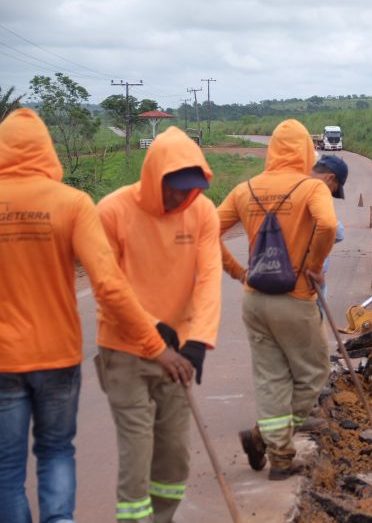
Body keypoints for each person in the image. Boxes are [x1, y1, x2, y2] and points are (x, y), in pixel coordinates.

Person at [0, 109, 189, 523]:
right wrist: (157, 347)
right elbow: (109, 284)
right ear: (46, 150)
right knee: (55, 452)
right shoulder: (71, 203)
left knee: (7, 471)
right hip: (57, 356)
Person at [94, 126, 221, 522]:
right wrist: (153, 335)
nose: (182, 197)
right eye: (175, 188)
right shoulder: (112, 211)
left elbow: (209, 279)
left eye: (190, 189)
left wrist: (198, 340)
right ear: (155, 178)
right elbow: (108, 288)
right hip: (125, 351)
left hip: (178, 352)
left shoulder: (201, 212)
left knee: (174, 458)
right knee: (138, 453)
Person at [218, 119, 337, 480]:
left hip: (255, 299)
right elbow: (329, 226)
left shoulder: (244, 189)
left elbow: (203, 230)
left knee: (270, 379)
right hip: (295, 297)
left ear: (271, 151)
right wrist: (314, 266)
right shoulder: (312, 188)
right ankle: (264, 438)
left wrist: (238, 271)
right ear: (304, 151)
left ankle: (279, 457)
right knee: (314, 374)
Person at [311, 154, 348, 304]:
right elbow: (335, 230)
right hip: (308, 280)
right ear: (330, 178)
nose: (331, 194)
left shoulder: (290, 184)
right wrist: (316, 265)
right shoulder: (316, 192)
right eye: (334, 190)